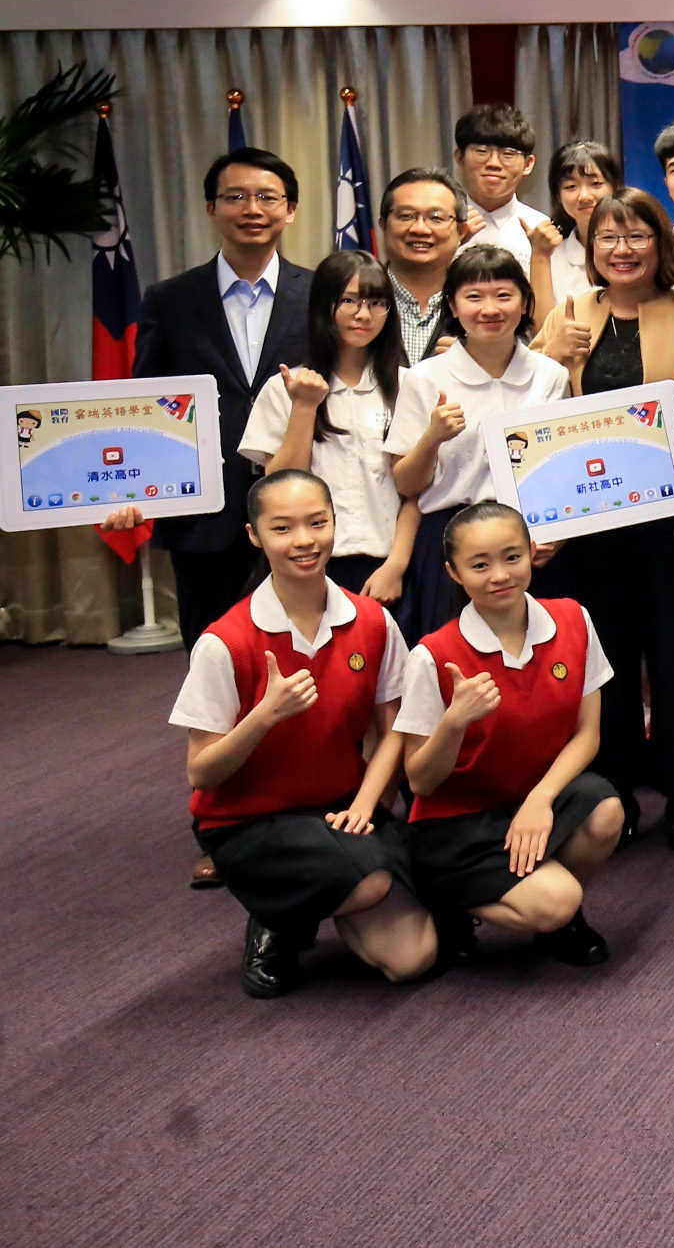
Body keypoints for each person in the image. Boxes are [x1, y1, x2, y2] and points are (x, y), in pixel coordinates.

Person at [170, 468, 432, 998]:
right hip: (249, 821)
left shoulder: (372, 621)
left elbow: (394, 732)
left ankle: (321, 889)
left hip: (338, 809)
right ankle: (278, 916)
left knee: (414, 959)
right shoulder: (225, 641)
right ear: (254, 536)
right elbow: (201, 773)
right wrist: (263, 716)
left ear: (336, 522)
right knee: (375, 877)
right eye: (282, 528)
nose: (304, 540)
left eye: (317, 523)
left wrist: (366, 804)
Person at [541, 188, 674, 852]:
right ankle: (616, 790)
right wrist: (552, 353)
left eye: (637, 234)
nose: (623, 249)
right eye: (608, 237)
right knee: (606, 658)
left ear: (660, 242)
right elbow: (533, 411)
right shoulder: (569, 310)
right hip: (593, 526)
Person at [395, 502, 626, 969]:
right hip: (458, 823)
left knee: (605, 811)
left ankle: (552, 917)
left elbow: (587, 736)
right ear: (454, 573)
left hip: (532, 802)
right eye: (480, 565)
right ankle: (452, 901)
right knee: (558, 900)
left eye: (512, 557)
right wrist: (454, 721)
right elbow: (420, 781)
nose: (500, 575)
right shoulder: (432, 655)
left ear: (532, 552)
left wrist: (541, 798)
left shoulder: (573, 619)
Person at [135, 146, 317, 652]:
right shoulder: (169, 299)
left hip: (302, 505)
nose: (252, 209)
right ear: (211, 209)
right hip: (204, 511)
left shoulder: (322, 294)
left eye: (267, 197)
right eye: (235, 197)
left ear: (290, 209)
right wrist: (132, 491)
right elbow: (147, 402)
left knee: (308, 647)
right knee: (212, 651)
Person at [385, 244, 569, 639]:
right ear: (452, 306)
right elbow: (406, 484)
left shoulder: (551, 376)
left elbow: (561, 470)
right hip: (450, 540)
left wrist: (559, 533)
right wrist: (432, 438)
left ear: (525, 303)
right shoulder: (425, 378)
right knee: (451, 657)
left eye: (503, 295)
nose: (490, 309)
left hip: (529, 538)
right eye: (473, 297)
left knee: (536, 656)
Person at [237, 249, 411, 604]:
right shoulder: (285, 387)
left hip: (387, 565)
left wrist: (395, 565)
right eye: (349, 301)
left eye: (377, 302)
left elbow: (417, 491)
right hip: (308, 561)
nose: (363, 314)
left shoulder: (407, 385)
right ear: (323, 305)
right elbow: (279, 487)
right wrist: (304, 407)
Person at [377, 167, 468, 366]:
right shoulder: (353, 298)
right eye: (406, 216)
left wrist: (479, 362)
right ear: (383, 225)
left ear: (462, 231)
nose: (420, 229)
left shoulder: (481, 304)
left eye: (436, 218)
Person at [526, 141, 618, 312]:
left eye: (595, 184)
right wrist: (540, 256)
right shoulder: (552, 257)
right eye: (571, 187)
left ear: (615, 187)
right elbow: (543, 325)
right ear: (558, 196)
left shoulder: (638, 247)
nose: (584, 196)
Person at [453, 104, 546, 258]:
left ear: (528, 164)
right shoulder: (441, 226)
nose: (494, 163)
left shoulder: (542, 230)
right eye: (482, 151)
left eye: (508, 154)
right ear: (460, 158)